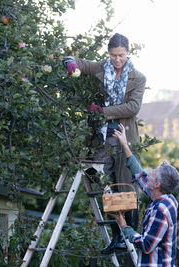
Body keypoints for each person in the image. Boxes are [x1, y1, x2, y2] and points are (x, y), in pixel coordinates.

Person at [62, 33, 146, 254]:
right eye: (113, 55)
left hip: (124, 135)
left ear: (128, 53)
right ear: (108, 53)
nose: (116, 60)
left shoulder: (138, 78)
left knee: (125, 184)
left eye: (120, 55)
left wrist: (103, 112)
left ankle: (129, 235)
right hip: (102, 136)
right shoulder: (101, 67)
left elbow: (133, 107)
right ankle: (117, 234)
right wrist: (70, 62)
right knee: (101, 179)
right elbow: (79, 62)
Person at [110, 124, 179, 267]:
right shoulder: (168, 199)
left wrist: (124, 225)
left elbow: (146, 245)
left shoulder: (160, 210)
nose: (150, 175)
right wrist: (125, 144)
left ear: (157, 185)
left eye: (153, 175)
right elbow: (141, 176)